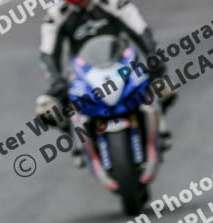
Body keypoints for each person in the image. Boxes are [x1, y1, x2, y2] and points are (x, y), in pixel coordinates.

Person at [37, 0, 172, 165]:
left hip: (122, 64)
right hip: (83, 74)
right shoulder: (56, 14)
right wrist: (56, 80)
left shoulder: (114, 3)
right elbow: (47, 53)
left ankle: (161, 130)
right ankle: (74, 138)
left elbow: (140, 29)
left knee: (163, 87)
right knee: (46, 107)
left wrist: (153, 54)